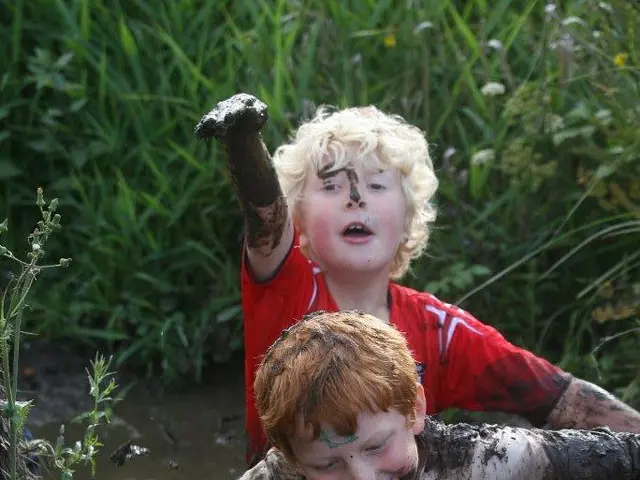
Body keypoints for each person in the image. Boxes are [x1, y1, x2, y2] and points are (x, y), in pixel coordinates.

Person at [194, 93, 640, 467]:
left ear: (408, 221)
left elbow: (554, 395)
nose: (355, 199)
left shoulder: (441, 332)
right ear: (301, 223)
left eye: (377, 186)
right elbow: (265, 222)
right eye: (331, 186)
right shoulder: (286, 285)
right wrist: (242, 137)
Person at [237, 309, 640, 479]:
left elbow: (627, 456)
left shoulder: (494, 460)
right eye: (328, 468)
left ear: (415, 410)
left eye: (377, 447)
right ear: (292, 457)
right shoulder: (277, 476)